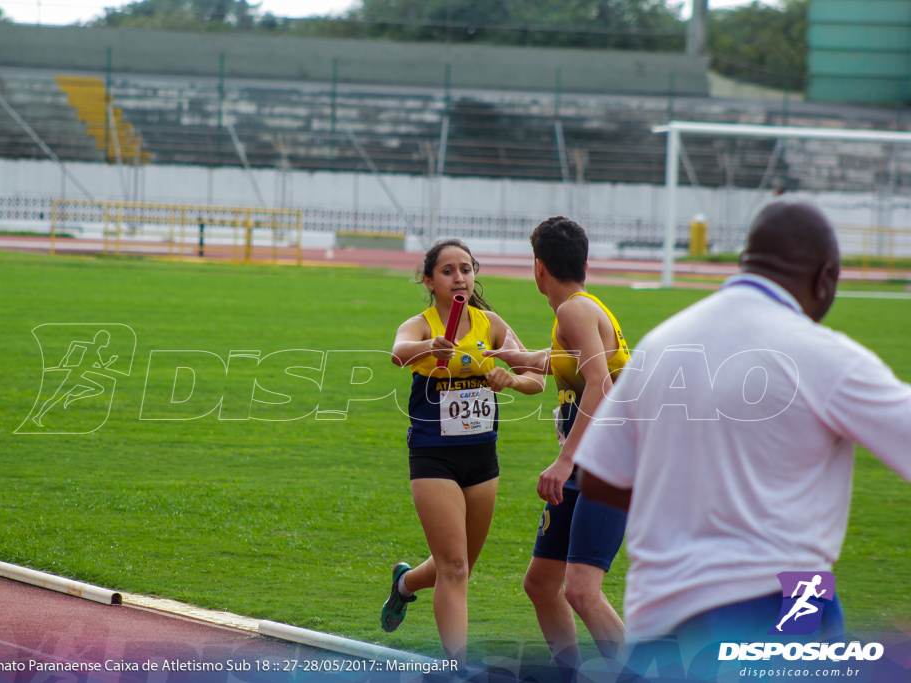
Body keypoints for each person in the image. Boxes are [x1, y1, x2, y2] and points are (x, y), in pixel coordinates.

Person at [574, 201, 911, 656]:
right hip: (783, 598)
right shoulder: (824, 356)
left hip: (658, 611)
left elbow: (597, 474)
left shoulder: (664, 341)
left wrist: (687, 513)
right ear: (826, 276)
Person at [383, 238, 544, 666]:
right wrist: (429, 348)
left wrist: (510, 381)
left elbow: (535, 377)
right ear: (429, 280)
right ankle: (457, 666)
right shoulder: (420, 325)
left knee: (459, 564)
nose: (460, 278)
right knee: (454, 568)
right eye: (449, 271)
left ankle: (404, 584)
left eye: (467, 269)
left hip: (481, 458)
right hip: (434, 456)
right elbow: (398, 354)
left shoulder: (489, 324)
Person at [483, 217, 631, 670]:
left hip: (606, 466)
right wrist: (522, 357)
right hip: (588, 463)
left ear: (538, 267)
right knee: (542, 583)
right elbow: (574, 359)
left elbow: (598, 383)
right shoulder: (580, 308)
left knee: (581, 590)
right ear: (584, 263)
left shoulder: (574, 311)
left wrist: (564, 460)